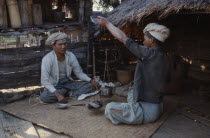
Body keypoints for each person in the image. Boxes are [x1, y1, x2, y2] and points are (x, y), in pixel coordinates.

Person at [97, 16, 170, 125]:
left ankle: (132, 111)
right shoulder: (164, 56)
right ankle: (132, 105)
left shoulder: (149, 53)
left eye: (145, 38)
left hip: (147, 111)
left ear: (152, 40)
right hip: (157, 104)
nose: (143, 41)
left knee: (109, 108)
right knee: (132, 92)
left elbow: (122, 37)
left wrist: (107, 24)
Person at [40, 32, 99, 103]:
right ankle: (67, 94)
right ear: (53, 46)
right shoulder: (47, 59)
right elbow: (44, 80)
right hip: (55, 85)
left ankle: (68, 94)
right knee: (44, 97)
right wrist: (57, 94)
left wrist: (91, 81)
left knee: (90, 86)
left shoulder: (70, 55)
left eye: (64, 44)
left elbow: (79, 73)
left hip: (68, 83)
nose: (63, 47)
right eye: (60, 44)